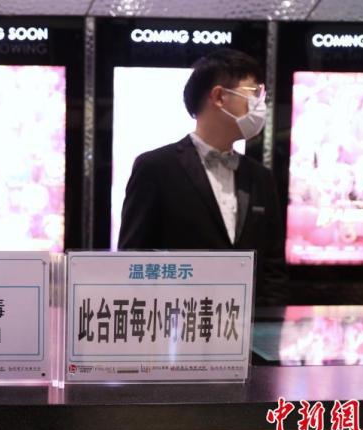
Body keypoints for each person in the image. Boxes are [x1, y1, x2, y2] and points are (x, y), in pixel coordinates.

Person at [118, 49, 288, 306]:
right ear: (219, 96)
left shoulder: (260, 177)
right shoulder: (156, 167)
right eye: (253, 94)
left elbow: (273, 268)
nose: (259, 106)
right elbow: (134, 258)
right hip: (175, 319)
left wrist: (266, 321)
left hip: (248, 323)